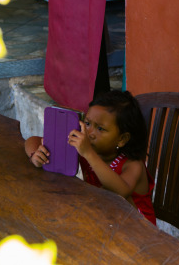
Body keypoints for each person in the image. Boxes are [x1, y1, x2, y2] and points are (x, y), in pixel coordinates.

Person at [24, 90, 156, 225]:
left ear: (122, 139)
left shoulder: (133, 164)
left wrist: (88, 154)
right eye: (87, 124)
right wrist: (36, 155)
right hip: (107, 219)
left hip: (141, 230)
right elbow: (32, 140)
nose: (90, 133)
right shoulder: (86, 148)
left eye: (100, 129)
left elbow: (121, 192)